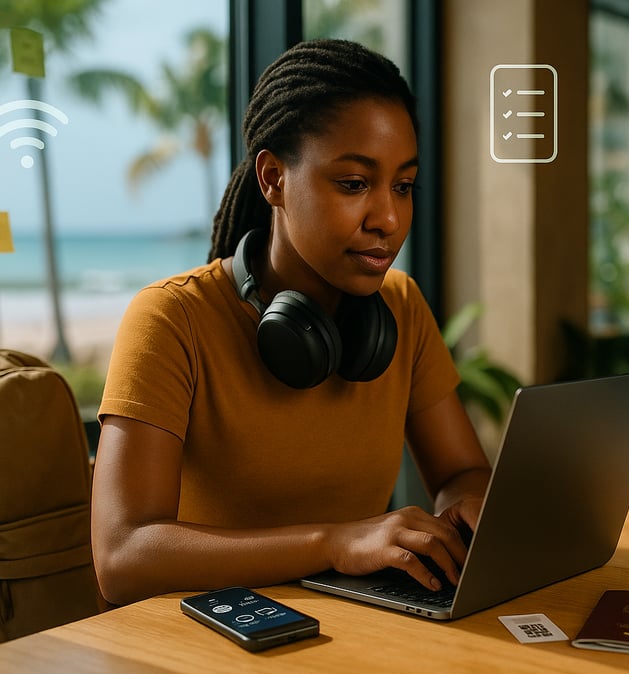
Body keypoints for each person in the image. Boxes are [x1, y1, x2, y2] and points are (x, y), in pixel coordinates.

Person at [91, 39, 492, 605]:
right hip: (212, 637)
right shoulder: (171, 318)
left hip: (361, 624)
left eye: (402, 186)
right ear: (274, 178)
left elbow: (462, 472)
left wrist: (466, 503)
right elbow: (122, 556)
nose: (388, 219)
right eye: (354, 184)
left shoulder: (400, 304)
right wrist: (331, 542)